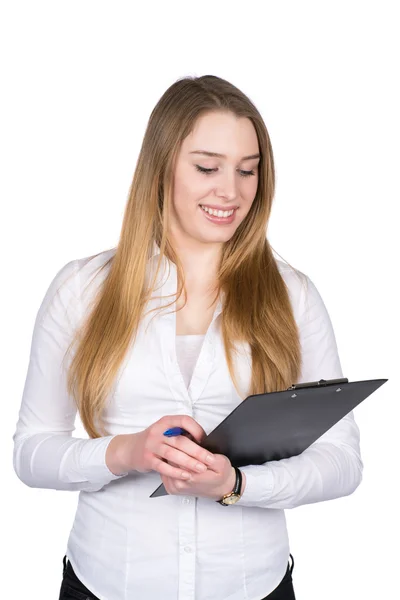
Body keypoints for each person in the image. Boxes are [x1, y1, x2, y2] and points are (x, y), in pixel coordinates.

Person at [12, 74, 363, 600]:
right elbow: (32, 453)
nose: (232, 191)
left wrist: (236, 486)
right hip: (106, 583)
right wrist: (128, 452)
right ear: (161, 168)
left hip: (254, 586)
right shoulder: (82, 290)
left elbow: (343, 461)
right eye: (207, 167)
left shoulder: (294, 295)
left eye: (248, 171)